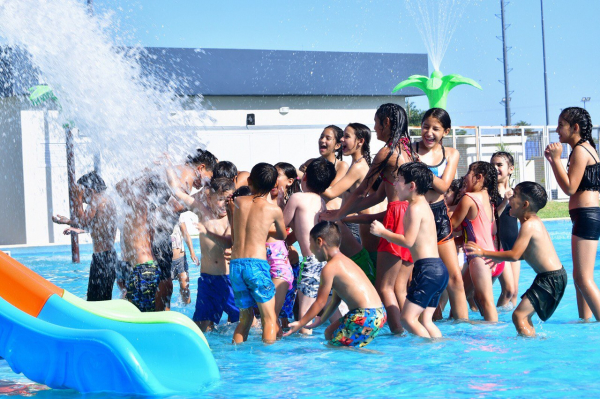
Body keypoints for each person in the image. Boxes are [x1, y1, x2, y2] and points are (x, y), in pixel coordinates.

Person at [321, 103, 414, 334]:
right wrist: (344, 215)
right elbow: (378, 195)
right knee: (400, 287)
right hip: (410, 214)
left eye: (376, 122)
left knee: (384, 287)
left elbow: (363, 189)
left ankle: (398, 334)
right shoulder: (408, 150)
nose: (374, 128)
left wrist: (340, 214)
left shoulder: (387, 152)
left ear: (387, 123)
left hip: (395, 215)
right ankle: (409, 331)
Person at [465, 182, 567, 336]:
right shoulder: (530, 222)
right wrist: (498, 258)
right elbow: (525, 254)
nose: (510, 199)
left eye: (514, 196)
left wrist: (483, 252)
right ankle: (532, 340)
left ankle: (530, 346)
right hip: (551, 277)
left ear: (525, 204)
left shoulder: (529, 225)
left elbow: (514, 255)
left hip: (551, 279)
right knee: (523, 317)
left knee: (519, 316)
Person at [370, 162, 448, 338]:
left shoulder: (414, 208)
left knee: (407, 319)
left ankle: (429, 349)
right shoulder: (423, 205)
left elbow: (408, 241)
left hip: (427, 270)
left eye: (398, 180)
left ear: (411, 186)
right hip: (437, 269)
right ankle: (437, 349)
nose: (395, 184)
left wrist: (383, 232)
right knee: (425, 321)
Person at [284, 221, 386, 348]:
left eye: (310, 243)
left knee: (337, 348)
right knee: (329, 332)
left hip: (364, 315)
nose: (310, 249)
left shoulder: (330, 268)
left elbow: (320, 302)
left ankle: (375, 358)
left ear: (319, 242)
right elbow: (336, 299)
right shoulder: (344, 261)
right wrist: (321, 320)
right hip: (377, 313)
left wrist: (300, 323)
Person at [411, 108, 468, 320]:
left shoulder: (451, 154)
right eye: (426, 127)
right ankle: (428, 321)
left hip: (438, 215)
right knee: (422, 276)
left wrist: (419, 168)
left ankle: (461, 324)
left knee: (454, 276)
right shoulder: (410, 150)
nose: (429, 133)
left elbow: (444, 186)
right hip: (417, 215)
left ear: (446, 131)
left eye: (436, 128)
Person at [545, 107, 600, 321]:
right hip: (585, 215)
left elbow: (569, 188)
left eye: (561, 125)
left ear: (575, 127)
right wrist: (553, 162)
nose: (557, 130)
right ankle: (585, 321)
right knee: (580, 278)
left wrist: (557, 159)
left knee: (583, 277)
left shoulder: (580, 150)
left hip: (587, 215)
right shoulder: (585, 148)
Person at [230, 163, 287, 344]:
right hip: (256, 264)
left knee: (245, 319)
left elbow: (235, 231)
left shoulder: (236, 203)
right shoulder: (273, 210)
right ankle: (267, 361)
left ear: (249, 181)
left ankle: (237, 354)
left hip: (235, 265)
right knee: (268, 319)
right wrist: (264, 230)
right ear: (273, 187)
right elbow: (282, 235)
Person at [283, 158, 335, 334]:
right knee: (331, 309)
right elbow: (302, 231)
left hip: (311, 262)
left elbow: (282, 223)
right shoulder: (321, 202)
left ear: (304, 177)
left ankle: (306, 355)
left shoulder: (297, 198)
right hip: (328, 262)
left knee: (304, 316)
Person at [319, 123, 376, 283]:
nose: (342, 139)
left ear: (360, 141)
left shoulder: (359, 167)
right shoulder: (357, 164)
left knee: (369, 278)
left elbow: (330, 193)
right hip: (361, 228)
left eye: (347, 136)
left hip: (365, 230)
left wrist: (308, 178)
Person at [52, 171, 117, 301]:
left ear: (90, 190)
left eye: (82, 191)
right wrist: (69, 222)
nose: (83, 197)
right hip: (109, 256)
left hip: (101, 259)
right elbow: (95, 225)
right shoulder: (106, 200)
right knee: (103, 299)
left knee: (95, 301)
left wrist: (78, 199)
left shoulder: (96, 200)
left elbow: (83, 221)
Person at [450, 161, 500, 322]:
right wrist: (460, 240)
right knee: (461, 294)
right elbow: (489, 231)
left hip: (478, 258)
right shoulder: (489, 200)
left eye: (468, 173)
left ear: (479, 177)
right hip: (493, 257)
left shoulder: (469, 198)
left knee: (486, 301)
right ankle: (453, 324)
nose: (465, 177)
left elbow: (451, 226)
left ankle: (494, 336)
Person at [189, 178, 239, 331]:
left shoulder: (233, 217)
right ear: (209, 198)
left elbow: (227, 242)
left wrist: (207, 233)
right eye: (220, 199)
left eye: (228, 199)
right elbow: (180, 194)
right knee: (202, 326)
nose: (224, 204)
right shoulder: (203, 213)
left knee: (243, 320)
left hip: (229, 279)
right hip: (208, 280)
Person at [116, 174, 171, 312]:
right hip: (144, 268)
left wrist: (143, 173)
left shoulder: (140, 206)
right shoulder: (146, 209)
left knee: (139, 313)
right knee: (143, 312)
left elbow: (120, 186)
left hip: (143, 270)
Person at [269, 162, 302, 329]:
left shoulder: (292, 203)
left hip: (288, 264)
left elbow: (299, 231)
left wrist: (284, 244)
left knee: (284, 313)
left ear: (289, 181)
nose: (273, 180)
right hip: (266, 264)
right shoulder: (264, 201)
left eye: (277, 176)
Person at [491, 151, 520, 308]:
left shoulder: (516, 192)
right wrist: (505, 201)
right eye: (492, 165)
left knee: (514, 292)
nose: (495, 168)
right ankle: (494, 317)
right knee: (506, 290)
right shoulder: (489, 193)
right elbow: (490, 218)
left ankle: (509, 323)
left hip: (514, 244)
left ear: (510, 169)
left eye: (499, 165)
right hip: (497, 245)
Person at [298, 125, 349, 209]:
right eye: (321, 137)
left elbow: (330, 191)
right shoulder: (310, 163)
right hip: (313, 205)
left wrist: (302, 174)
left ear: (337, 145)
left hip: (332, 209)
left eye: (328, 138)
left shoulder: (341, 166)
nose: (322, 140)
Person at [170, 218, 198, 306]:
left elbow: (185, 233)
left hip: (180, 258)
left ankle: (187, 308)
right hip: (165, 260)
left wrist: (192, 253)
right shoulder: (157, 214)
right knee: (166, 290)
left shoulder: (176, 215)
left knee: (185, 287)